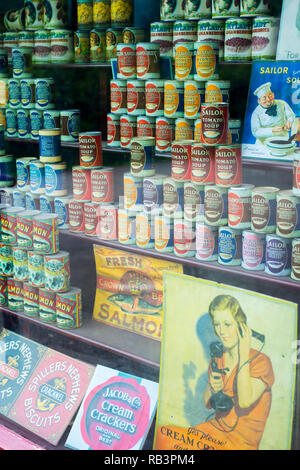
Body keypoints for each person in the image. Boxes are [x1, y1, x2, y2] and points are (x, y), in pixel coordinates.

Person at [155, 295, 275, 450]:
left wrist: (243, 354)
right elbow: (207, 403)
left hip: (240, 442)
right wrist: (212, 387)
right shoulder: (219, 357)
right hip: (215, 431)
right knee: (163, 435)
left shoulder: (261, 361)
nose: (221, 331)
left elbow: (245, 402)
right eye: (217, 324)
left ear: (241, 326)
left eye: (227, 324)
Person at [250, 82, 295, 147]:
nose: (268, 99)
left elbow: (291, 116)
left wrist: (289, 122)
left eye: (270, 95)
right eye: (264, 98)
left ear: (273, 95)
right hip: (263, 142)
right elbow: (256, 132)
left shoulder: (282, 103)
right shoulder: (256, 112)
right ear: (259, 101)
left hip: (282, 137)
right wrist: (272, 130)